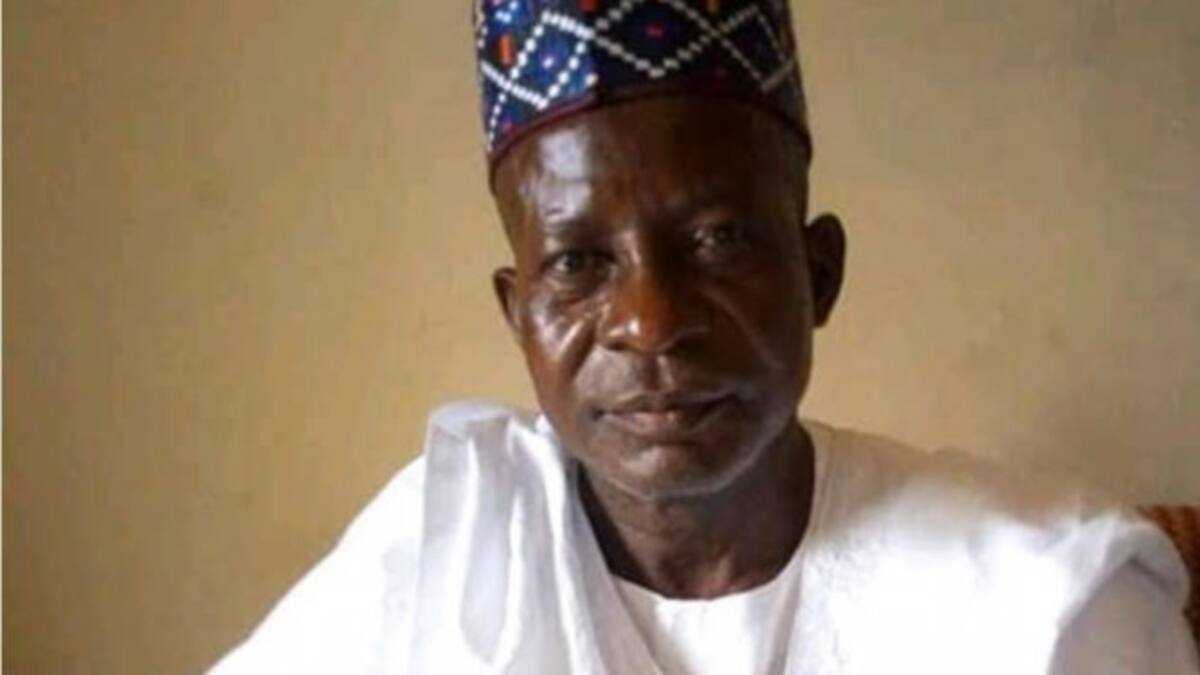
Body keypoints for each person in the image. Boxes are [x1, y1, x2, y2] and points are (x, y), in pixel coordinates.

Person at [211, 1, 1198, 672]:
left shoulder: (1049, 608)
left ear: (818, 272)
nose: (651, 323)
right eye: (579, 262)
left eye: (719, 239)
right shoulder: (442, 556)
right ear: (518, 316)